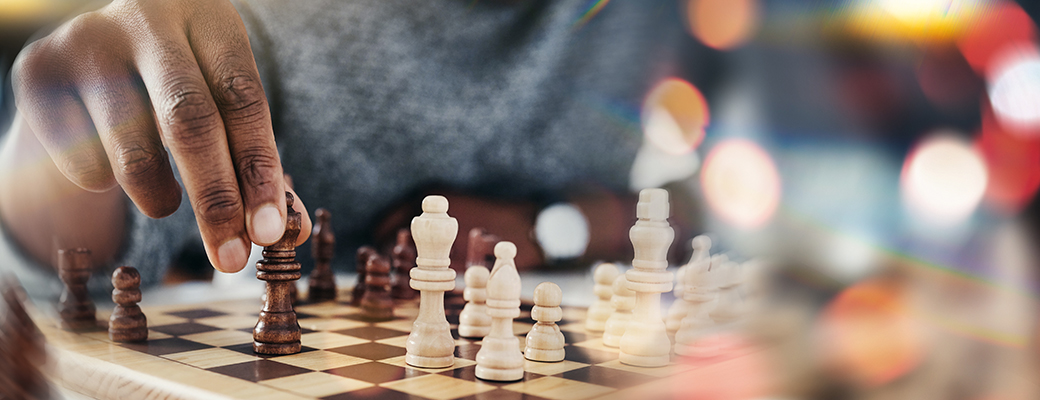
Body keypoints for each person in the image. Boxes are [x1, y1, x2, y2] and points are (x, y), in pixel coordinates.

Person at [0, 0, 700, 292]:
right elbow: (74, 269)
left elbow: (724, 200)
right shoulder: (258, 19)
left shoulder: (667, 16)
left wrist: (560, 224)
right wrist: (58, 133)